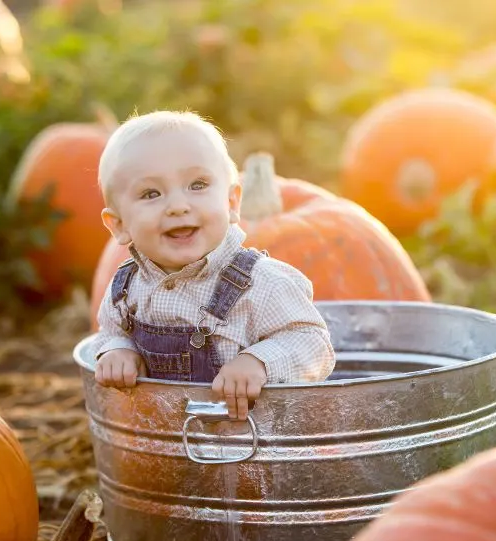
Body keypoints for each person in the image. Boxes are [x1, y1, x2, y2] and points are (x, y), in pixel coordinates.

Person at [91, 109, 335, 419]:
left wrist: (259, 361)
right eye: (151, 193)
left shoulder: (261, 284)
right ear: (119, 225)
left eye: (198, 185)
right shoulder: (126, 288)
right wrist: (117, 349)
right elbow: (110, 331)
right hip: (169, 448)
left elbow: (313, 345)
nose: (178, 206)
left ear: (232, 203)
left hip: (256, 447)